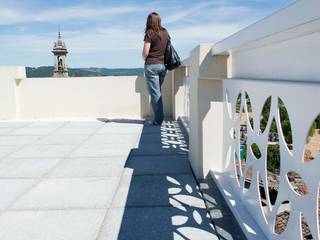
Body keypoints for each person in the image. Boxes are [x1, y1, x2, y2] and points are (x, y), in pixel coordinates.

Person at [142, 12, 169, 125]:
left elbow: (145, 52)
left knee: (155, 94)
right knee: (157, 92)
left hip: (152, 66)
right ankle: (158, 117)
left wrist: (145, 58)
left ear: (149, 21)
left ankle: (158, 120)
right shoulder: (165, 32)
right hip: (163, 66)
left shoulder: (149, 33)